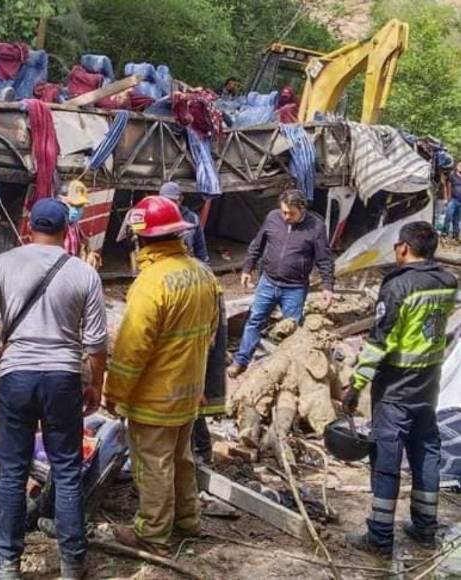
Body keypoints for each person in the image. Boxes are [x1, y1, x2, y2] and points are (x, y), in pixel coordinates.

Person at [0, 198, 108, 580]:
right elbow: (98, 344)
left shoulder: (6, 263)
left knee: (14, 469)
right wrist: (95, 387)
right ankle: (72, 564)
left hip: (17, 377)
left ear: (29, 228)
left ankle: (7, 565)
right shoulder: (83, 273)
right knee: (67, 470)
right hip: (63, 378)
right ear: (67, 232)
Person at [104, 195, 219, 556]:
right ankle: (188, 520)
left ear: (142, 239)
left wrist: (115, 391)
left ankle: (153, 534)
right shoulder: (203, 274)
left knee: (154, 464)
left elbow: (132, 348)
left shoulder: (152, 282)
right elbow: (211, 335)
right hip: (188, 391)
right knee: (182, 459)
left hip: (155, 395)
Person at [343, 222, 458, 557]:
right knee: (426, 451)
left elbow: (379, 342)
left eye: (396, 246)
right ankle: (424, 528)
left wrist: (356, 385)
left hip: (395, 387)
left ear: (405, 247)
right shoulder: (447, 282)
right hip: (429, 384)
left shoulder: (398, 286)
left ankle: (379, 537)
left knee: (387, 459)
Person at [227, 189, 334, 378]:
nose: (286, 217)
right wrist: (247, 268)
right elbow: (257, 244)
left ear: (302, 209)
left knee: (292, 330)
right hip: (267, 282)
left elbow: (324, 259)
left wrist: (327, 286)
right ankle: (240, 361)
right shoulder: (273, 218)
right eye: (283, 212)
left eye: (291, 213)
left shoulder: (316, 227)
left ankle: (288, 371)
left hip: (295, 288)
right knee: (254, 322)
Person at [157, 182, 223, 463]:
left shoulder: (170, 282)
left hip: (187, 363)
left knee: (191, 403)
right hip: (191, 359)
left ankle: (199, 452)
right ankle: (194, 453)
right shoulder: (195, 283)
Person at [158, 181, 210, 263]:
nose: (169, 204)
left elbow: (200, 248)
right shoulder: (154, 219)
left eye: (173, 201)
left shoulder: (192, 219)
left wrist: (205, 266)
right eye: (165, 200)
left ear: (180, 199)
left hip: (185, 264)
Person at [443, 162, 461, 239]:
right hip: (453, 199)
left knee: (457, 219)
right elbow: (448, 186)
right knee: (448, 216)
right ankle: (445, 233)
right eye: (460, 165)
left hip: (460, 201)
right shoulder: (452, 175)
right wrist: (448, 198)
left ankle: (455, 235)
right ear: (456, 166)